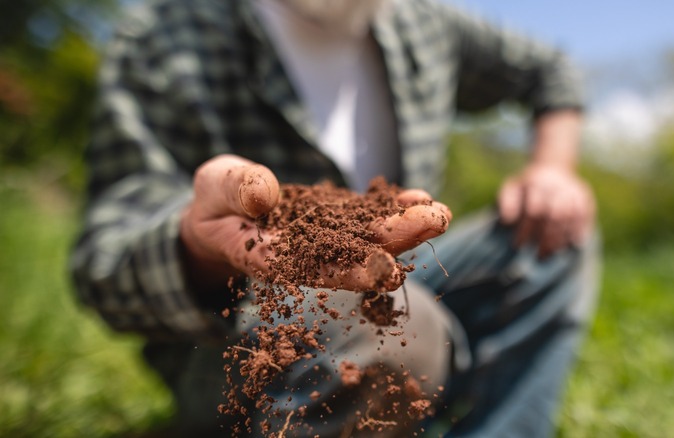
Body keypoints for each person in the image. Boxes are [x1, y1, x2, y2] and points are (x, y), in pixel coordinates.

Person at [70, 0, 600, 436]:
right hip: (235, 338)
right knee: (399, 325)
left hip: (402, 278)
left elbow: (551, 69)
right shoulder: (167, 35)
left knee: (552, 233)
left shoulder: (420, 22)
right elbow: (103, 260)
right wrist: (198, 243)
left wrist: (552, 169)